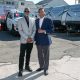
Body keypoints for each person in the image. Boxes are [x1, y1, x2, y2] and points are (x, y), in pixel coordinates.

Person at [17, 8, 36, 77]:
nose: (27, 12)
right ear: (24, 12)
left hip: (30, 41)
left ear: (29, 12)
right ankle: (20, 70)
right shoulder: (20, 20)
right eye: (26, 11)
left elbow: (34, 30)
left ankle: (27, 66)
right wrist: (26, 38)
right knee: (22, 55)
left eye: (28, 11)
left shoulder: (33, 20)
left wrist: (31, 37)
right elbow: (20, 30)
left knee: (28, 54)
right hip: (24, 41)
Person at [35, 8, 53, 76]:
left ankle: (46, 69)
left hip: (46, 41)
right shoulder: (36, 20)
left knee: (46, 55)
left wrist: (44, 31)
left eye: (42, 12)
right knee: (40, 55)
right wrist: (34, 39)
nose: (41, 13)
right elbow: (35, 31)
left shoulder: (48, 20)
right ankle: (41, 67)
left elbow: (51, 30)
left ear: (44, 12)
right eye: (40, 12)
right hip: (38, 41)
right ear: (38, 13)